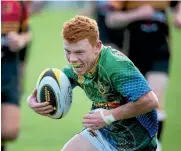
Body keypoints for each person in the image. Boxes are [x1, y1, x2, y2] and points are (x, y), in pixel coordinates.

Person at [27, 15, 159, 151]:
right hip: (102, 133)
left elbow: (149, 101)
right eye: (67, 51)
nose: (72, 59)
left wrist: (110, 116)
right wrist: (34, 101)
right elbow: (56, 86)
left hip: (137, 142)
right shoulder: (75, 68)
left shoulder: (115, 66)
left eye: (79, 52)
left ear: (97, 47)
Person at [105, 1, 181, 149]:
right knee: (135, 104)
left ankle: (155, 145)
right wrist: (137, 14)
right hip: (133, 56)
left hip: (160, 53)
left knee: (154, 101)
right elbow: (111, 19)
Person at [1, 1, 32, 151]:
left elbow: (26, 31)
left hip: (8, 68)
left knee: (10, 131)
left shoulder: (16, 3)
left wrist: (20, 40)